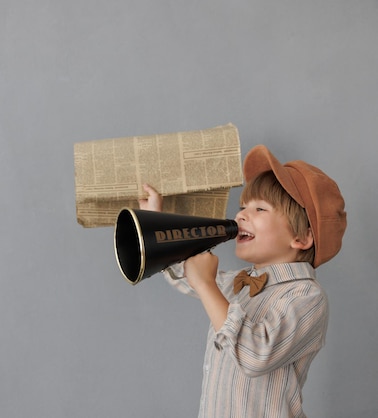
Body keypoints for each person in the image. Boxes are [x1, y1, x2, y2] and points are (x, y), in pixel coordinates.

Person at [138, 145, 346, 418]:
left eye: (260, 208)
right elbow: (183, 274)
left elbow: (255, 355)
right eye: (242, 207)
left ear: (302, 238)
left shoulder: (306, 297)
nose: (240, 216)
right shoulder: (242, 283)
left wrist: (207, 285)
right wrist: (156, 222)